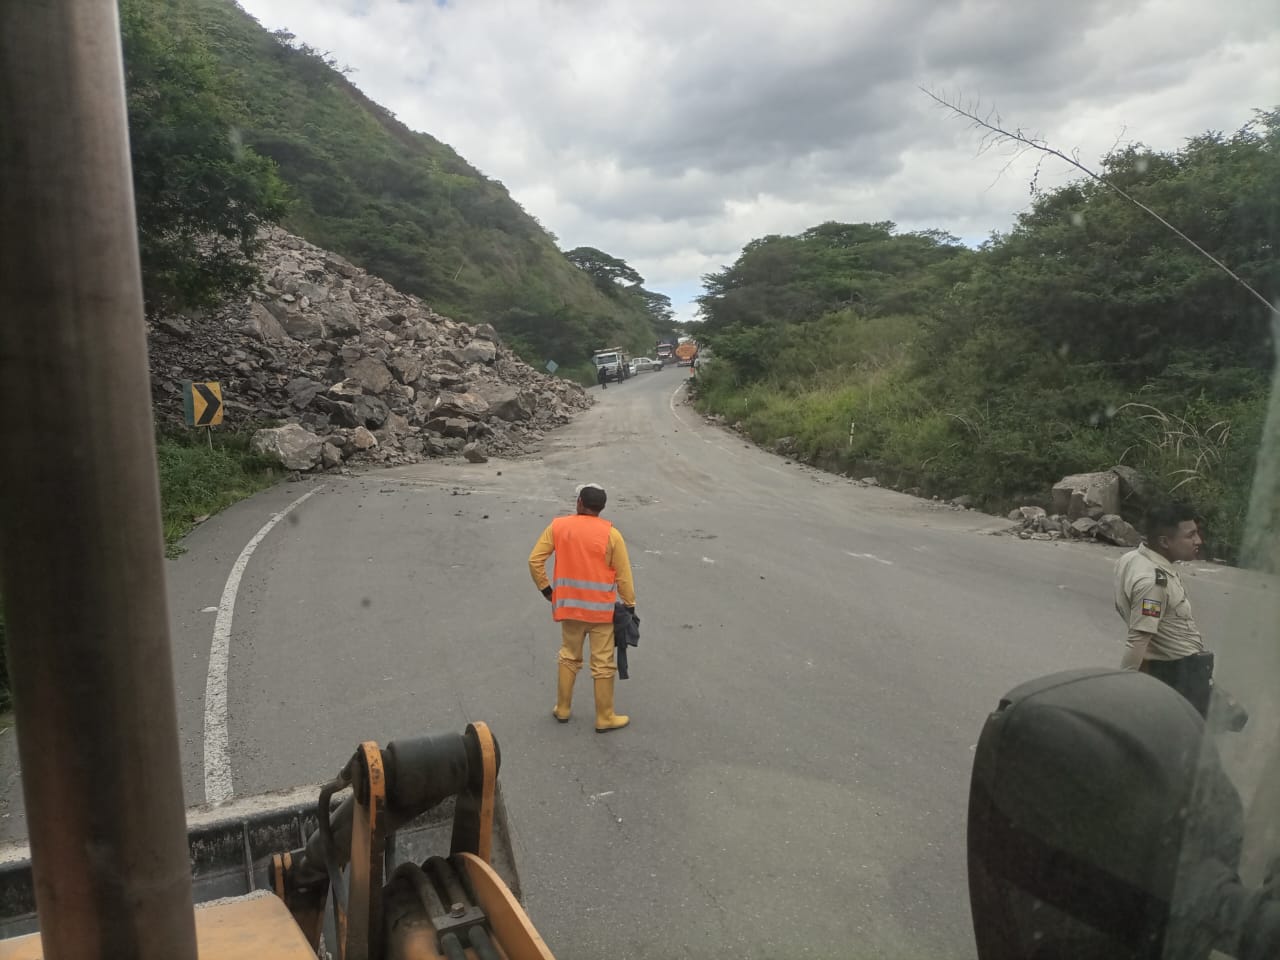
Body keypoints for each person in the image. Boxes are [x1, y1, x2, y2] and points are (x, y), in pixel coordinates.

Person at [528, 483, 636, 732]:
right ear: (602, 508)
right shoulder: (612, 535)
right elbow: (624, 576)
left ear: (579, 503)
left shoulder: (558, 527)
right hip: (601, 613)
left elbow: (535, 560)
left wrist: (547, 589)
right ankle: (605, 716)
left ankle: (563, 709)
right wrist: (629, 605)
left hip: (570, 609)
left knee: (568, 656)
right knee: (602, 663)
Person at [1113, 501, 1213, 715]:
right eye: (1190, 535)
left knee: (1235, 717)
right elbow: (1138, 640)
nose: (1198, 541)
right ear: (1165, 542)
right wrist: (1122, 691)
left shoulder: (1131, 559)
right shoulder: (1153, 582)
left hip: (1175, 670)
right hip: (1179, 677)